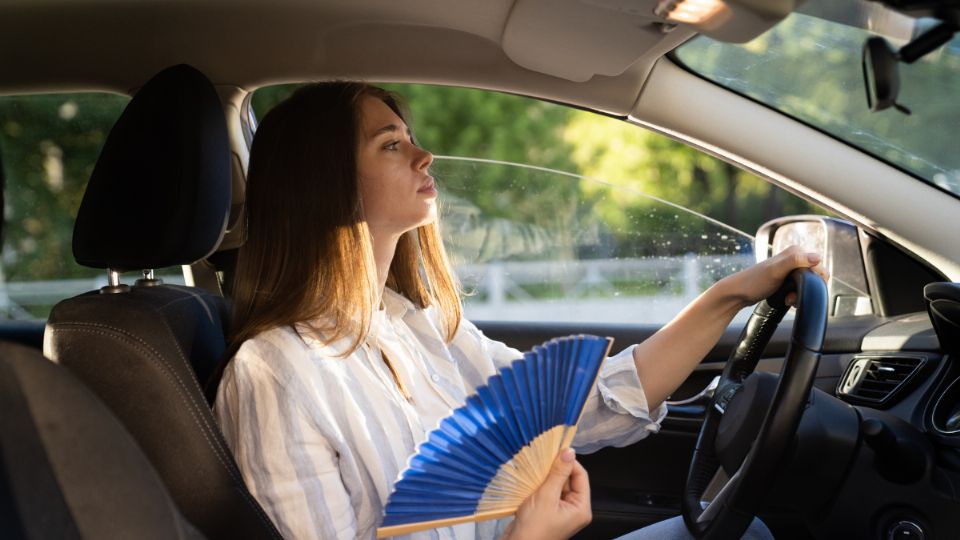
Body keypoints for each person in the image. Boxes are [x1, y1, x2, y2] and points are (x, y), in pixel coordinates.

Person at [213, 82, 825, 539]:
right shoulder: (274, 374)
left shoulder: (418, 329)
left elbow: (592, 402)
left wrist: (734, 293)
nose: (425, 156)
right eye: (391, 144)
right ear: (327, 185)